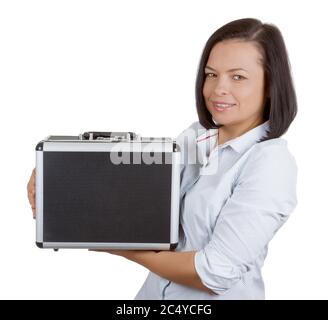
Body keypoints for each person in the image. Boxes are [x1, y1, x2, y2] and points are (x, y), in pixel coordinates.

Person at [27, 18, 298, 299]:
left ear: (270, 84)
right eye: (211, 74)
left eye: (237, 77)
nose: (218, 89)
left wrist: (124, 250)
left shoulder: (270, 165)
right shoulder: (197, 137)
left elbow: (214, 273)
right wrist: (56, 173)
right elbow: (129, 183)